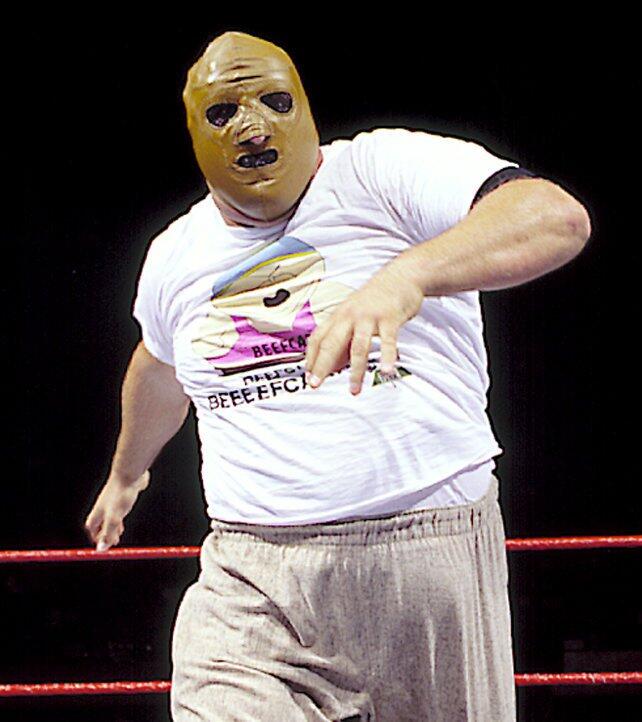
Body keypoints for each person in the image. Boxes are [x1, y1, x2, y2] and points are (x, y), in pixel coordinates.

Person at [84, 30, 591, 722]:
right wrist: (125, 475)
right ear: (195, 133)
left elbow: (555, 218)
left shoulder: (381, 171)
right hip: (252, 574)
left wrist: (408, 276)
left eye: (273, 102)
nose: (253, 127)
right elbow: (160, 367)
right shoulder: (176, 254)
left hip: (425, 549)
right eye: (224, 112)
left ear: (304, 107)